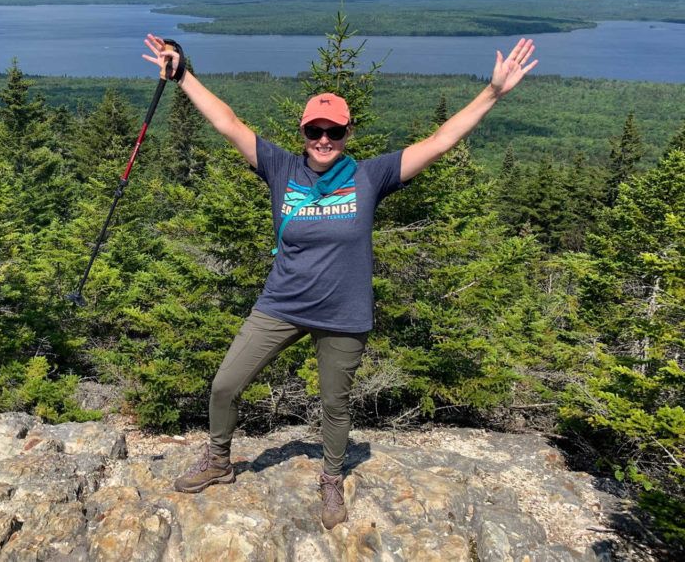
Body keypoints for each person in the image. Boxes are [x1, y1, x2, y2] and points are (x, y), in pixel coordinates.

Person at [142, 33, 538, 530]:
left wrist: (493, 93)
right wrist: (183, 76)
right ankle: (219, 460)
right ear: (303, 133)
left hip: (343, 313)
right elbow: (229, 123)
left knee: (334, 403)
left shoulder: (370, 177)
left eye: (334, 131)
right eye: (315, 132)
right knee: (225, 385)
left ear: (348, 133)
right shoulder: (281, 169)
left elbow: (440, 141)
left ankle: (331, 477)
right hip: (281, 304)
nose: (324, 140)